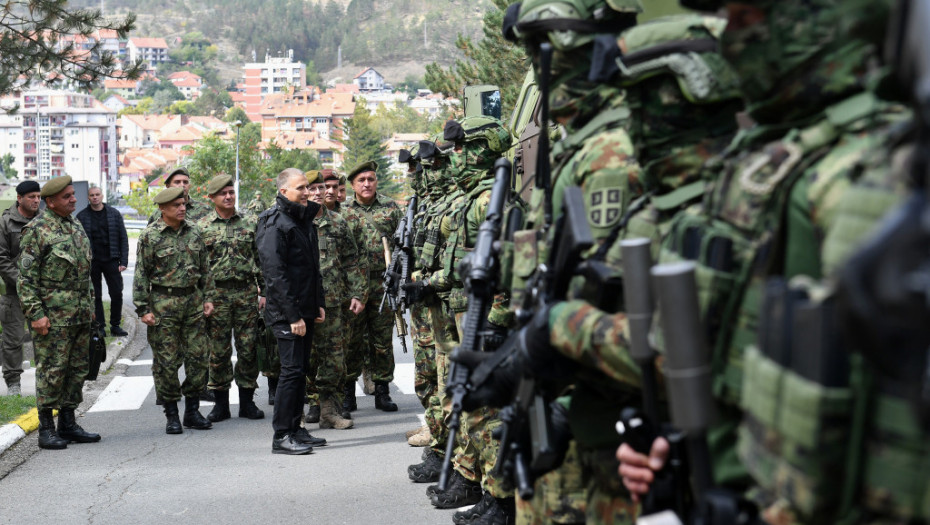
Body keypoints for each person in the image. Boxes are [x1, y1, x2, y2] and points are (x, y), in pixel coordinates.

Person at [18, 175, 100, 449]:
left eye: (72, 195)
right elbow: (26, 280)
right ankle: (46, 429)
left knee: (76, 370)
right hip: (52, 318)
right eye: (66, 197)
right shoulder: (37, 229)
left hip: (78, 314)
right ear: (50, 202)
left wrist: (90, 307)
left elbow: (84, 271)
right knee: (52, 371)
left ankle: (68, 423)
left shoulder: (73, 224)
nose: (74, 199)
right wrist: (36, 314)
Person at [256, 168, 327, 455]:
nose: (308, 192)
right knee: (290, 372)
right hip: (288, 313)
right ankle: (282, 435)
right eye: (301, 188)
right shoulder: (274, 223)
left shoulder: (301, 217)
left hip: (305, 308)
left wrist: (317, 303)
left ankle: (296, 428)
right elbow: (275, 275)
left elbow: (312, 267)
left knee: (300, 372)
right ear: (284, 191)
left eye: (308, 187)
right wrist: (294, 316)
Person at [134, 186, 216, 435]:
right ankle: (171, 414)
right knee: (166, 364)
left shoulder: (195, 231)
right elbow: (141, 274)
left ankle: (192, 411)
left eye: (183, 204)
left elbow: (205, 268)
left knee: (199, 359)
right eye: (176, 205)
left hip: (192, 303)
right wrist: (142, 308)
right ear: (162, 208)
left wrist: (208, 297)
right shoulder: (150, 236)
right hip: (163, 305)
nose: (182, 208)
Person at [197, 174, 265, 423]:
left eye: (231, 192)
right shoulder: (202, 227)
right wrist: (204, 298)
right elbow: (199, 267)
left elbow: (260, 260)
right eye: (222, 194)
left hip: (246, 293)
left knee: (248, 349)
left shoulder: (250, 223)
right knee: (219, 351)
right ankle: (221, 404)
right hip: (217, 296)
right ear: (212, 198)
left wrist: (265, 291)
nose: (228, 197)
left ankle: (247, 402)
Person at [304, 169, 364, 430]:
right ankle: (313, 403)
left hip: (335, 303)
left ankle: (330, 410)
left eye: (321, 188)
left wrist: (357, 293)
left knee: (334, 358)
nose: (319, 192)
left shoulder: (339, 222)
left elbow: (352, 260)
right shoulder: (294, 222)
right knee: (307, 357)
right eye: (313, 188)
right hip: (304, 304)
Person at [345, 161, 403, 413]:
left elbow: (403, 244)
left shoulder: (391, 208)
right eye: (361, 180)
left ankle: (382, 391)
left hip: (383, 282)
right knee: (352, 340)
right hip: (353, 286)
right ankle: (348, 394)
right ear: (353, 185)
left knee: (382, 340)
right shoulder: (343, 210)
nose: (367, 184)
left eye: (371, 179)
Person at [0, 181, 40, 397]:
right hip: (13, 292)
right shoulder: (6, 222)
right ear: (19, 198)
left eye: (38, 197)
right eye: (31, 197)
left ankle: (44, 380)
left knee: (44, 337)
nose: (36, 201)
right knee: (13, 340)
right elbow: (2, 259)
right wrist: (23, 284)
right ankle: (13, 382)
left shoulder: (45, 220)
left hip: (42, 293)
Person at [77, 186, 129, 337]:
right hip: (92, 261)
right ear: (88, 197)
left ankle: (115, 325)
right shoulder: (82, 216)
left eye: (97, 194)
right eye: (92, 195)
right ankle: (100, 326)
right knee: (96, 295)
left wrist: (123, 261)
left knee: (117, 293)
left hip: (112, 259)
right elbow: (78, 241)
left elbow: (123, 238)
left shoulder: (114, 214)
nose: (95, 197)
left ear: (102, 195)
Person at [147, 167, 212, 224]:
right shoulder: (159, 213)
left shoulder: (205, 210)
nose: (182, 185)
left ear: (189, 185)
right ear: (168, 186)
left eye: (185, 182)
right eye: (177, 182)